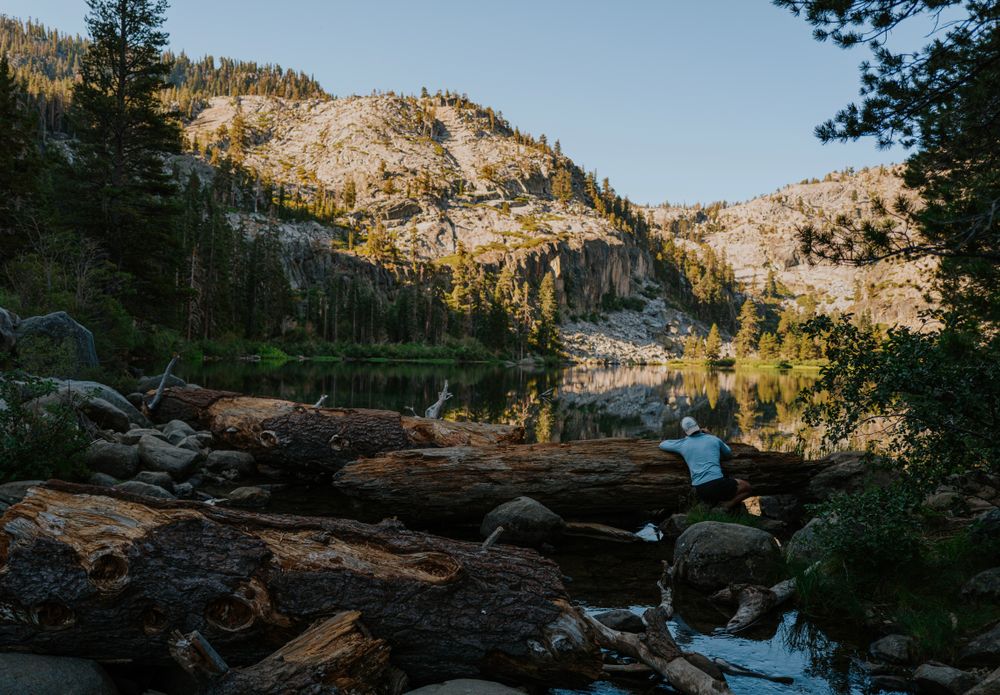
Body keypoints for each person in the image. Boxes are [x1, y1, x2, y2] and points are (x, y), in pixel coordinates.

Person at [658, 416, 751, 510]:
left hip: (700, 490)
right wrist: (711, 435)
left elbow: (662, 444)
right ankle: (725, 507)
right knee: (747, 487)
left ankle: (712, 504)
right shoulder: (713, 439)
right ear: (698, 426)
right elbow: (728, 453)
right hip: (719, 484)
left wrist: (683, 439)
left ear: (685, 431)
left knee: (714, 492)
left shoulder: (683, 444)